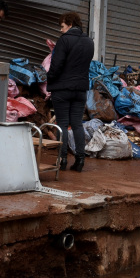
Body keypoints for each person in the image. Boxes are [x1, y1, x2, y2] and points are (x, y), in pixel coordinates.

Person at [46, 11, 95, 172]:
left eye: (62, 26)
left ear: (69, 23)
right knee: (77, 125)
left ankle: (63, 160)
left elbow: (56, 66)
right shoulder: (89, 42)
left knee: (62, 124)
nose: (60, 30)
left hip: (62, 89)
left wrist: (50, 79)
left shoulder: (64, 40)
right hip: (80, 90)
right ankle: (80, 160)